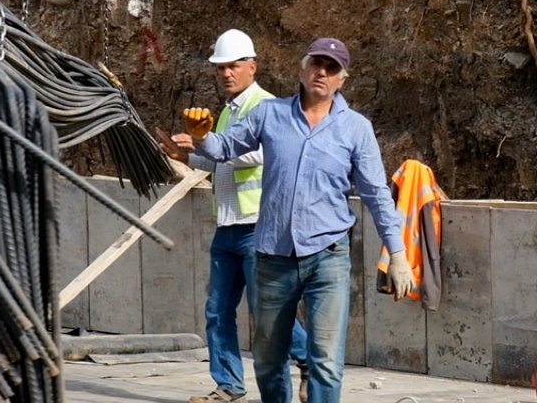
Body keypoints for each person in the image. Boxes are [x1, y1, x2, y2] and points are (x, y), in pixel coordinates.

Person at [171, 37, 414, 403]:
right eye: (316, 63)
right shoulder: (270, 114)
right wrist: (202, 137)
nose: (322, 72)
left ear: (342, 80)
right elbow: (225, 148)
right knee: (268, 360)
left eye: (332, 68)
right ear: (302, 69)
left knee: (327, 361)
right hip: (273, 257)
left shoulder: (355, 129)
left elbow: (376, 193)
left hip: (328, 256)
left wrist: (396, 253)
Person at [157, 29, 310, 403]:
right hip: (227, 225)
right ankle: (228, 385)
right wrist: (187, 156)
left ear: (252, 66)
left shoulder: (269, 107)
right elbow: (217, 158)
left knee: (268, 311)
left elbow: (264, 154)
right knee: (217, 311)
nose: (226, 73)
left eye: (234, 66)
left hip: (258, 226)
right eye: (221, 67)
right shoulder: (226, 112)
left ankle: (307, 361)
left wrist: (206, 144)